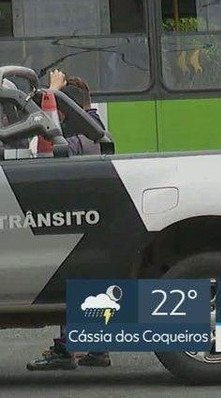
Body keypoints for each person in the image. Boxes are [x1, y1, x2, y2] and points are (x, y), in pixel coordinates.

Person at [27, 71, 111, 371]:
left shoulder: (74, 139)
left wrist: (51, 93)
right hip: (95, 220)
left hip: (71, 219)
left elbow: (44, 153)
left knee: (69, 280)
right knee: (88, 282)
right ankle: (97, 348)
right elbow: (85, 109)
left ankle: (65, 349)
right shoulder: (96, 127)